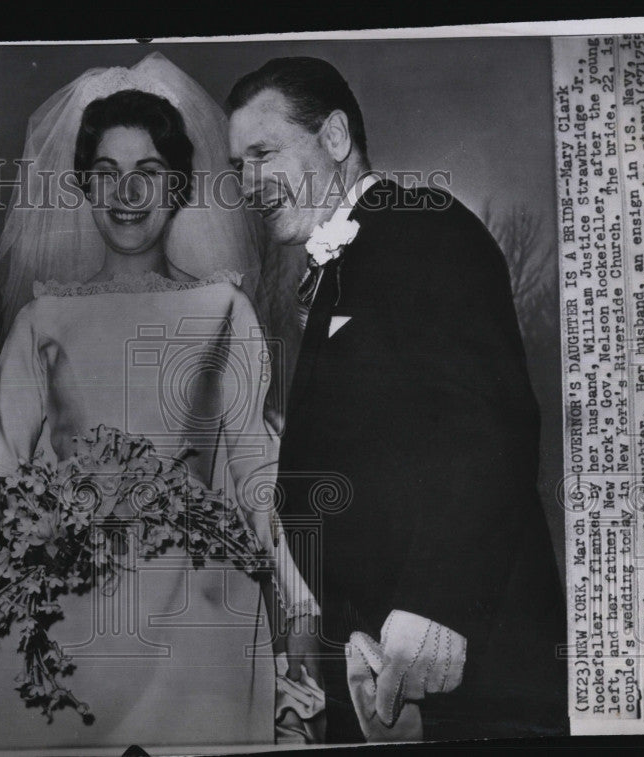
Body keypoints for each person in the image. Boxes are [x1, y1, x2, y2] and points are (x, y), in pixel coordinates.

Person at [0, 53, 321, 750]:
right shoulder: (40, 323)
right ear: (82, 187)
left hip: (201, 623)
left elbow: (258, 480)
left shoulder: (224, 310)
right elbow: (3, 483)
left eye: (148, 173)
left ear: (179, 183)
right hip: (66, 630)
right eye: (105, 174)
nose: (126, 194)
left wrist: (300, 609)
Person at [227, 56, 567, 742]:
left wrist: (428, 607)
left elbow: (487, 423)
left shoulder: (424, 228)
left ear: (334, 136)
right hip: (381, 671)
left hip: (461, 668)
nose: (249, 184)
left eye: (263, 153)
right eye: (238, 166)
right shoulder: (345, 263)